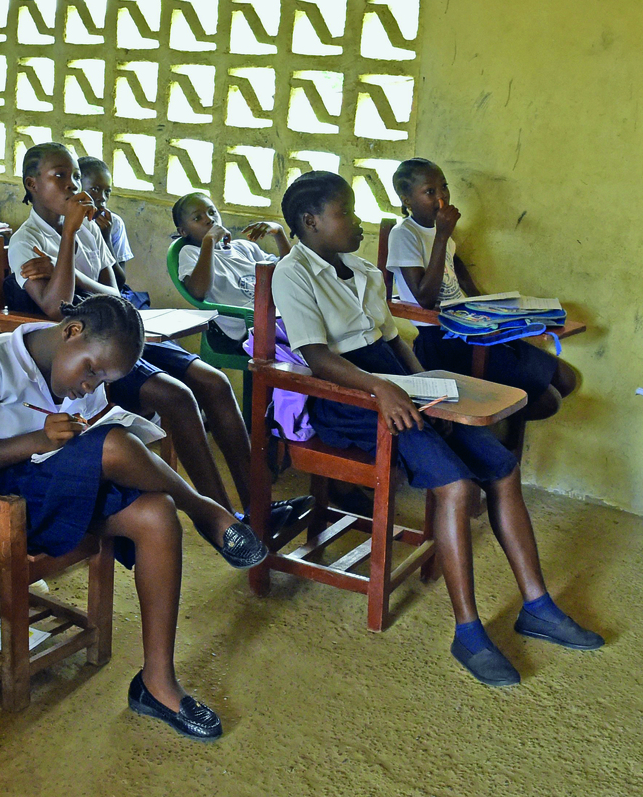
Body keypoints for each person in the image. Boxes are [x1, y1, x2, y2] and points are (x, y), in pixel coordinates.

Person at [274, 171, 603, 686]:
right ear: (310, 222)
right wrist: (383, 391)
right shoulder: (291, 274)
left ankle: (537, 605)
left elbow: (394, 340)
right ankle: (468, 631)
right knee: (455, 484)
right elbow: (316, 356)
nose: (359, 222)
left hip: (402, 387)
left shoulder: (361, 270)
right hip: (352, 400)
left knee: (501, 466)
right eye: (347, 213)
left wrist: (429, 385)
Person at [0, 295, 268, 739]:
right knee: (113, 446)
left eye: (104, 378)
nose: (89, 384)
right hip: (0, 505)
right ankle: (206, 510)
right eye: (91, 370)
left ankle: (156, 683)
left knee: (156, 513)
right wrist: (38, 439)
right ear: (72, 332)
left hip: (62, 487)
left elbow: (92, 431)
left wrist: (73, 435)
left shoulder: (90, 376)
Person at [11, 142, 308, 537]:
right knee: (180, 398)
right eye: (59, 176)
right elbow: (55, 308)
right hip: (91, 351)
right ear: (32, 184)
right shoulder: (25, 241)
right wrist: (66, 238)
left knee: (215, 384)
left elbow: (115, 294)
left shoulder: (88, 230)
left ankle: (261, 509)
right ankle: (223, 524)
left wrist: (72, 261)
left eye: (75, 176)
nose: (72, 185)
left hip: (127, 330)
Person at [386, 158, 578, 428]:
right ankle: (479, 425)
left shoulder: (441, 233)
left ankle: (485, 421)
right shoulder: (405, 234)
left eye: (444, 187)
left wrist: (481, 299)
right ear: (406, 199)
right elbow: (425, 299)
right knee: (548, 401)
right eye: (430, 192)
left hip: (471, 329)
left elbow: (456, 265)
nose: (441, 196)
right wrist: (441, 236)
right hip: (442, 341)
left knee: (566, 379)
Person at [171, 191, 287, 361]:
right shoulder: (190, 253)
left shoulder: (244, 247)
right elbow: (197, 292)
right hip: (237, 332)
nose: (209, 219)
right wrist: (209, 241)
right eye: (197, 218)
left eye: (212, 212)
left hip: (272, 320)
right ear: (183, 232)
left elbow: (287, 271)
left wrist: (279, 233)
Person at [79, 157, 147, 308]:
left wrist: (105, 238)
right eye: (95, 189)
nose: (102, 198)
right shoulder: (66, 222)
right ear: (77, 187)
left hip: (108, 295)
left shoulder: (114, 224)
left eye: (107, 191)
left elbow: (119, 281)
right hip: (79, 296)